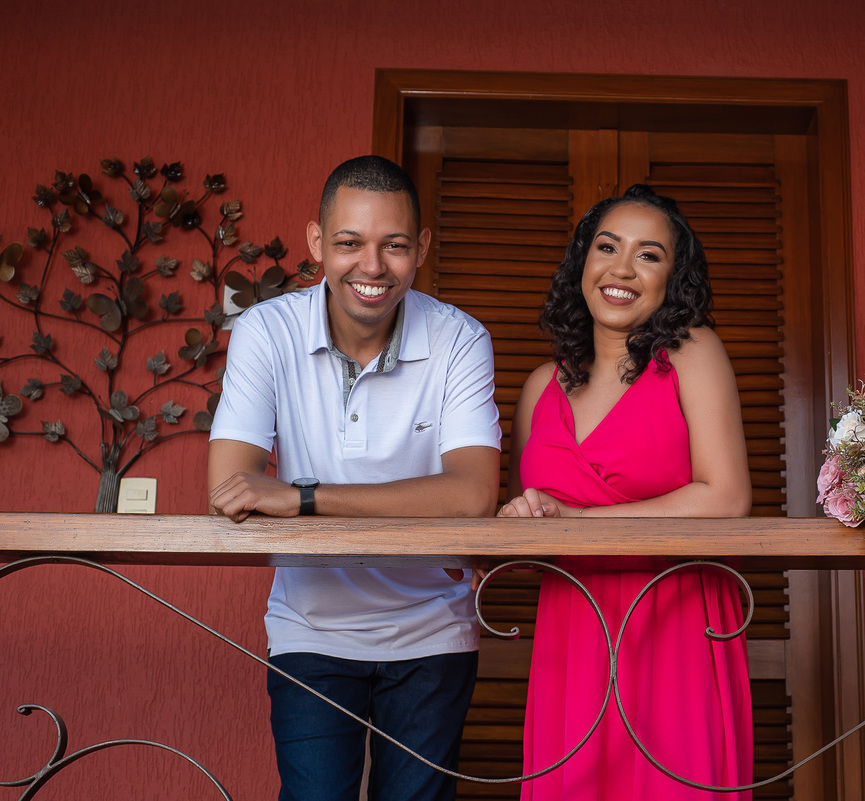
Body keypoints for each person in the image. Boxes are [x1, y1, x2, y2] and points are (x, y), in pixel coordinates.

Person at [208, 155, 501, 801]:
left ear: (421, 247)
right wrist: (412, 504)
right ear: (317, 242)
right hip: (309, 624)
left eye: (394, 245)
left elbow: (473, 494)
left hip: (434, 626)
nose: (372, 266)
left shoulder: (460, 339)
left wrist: (302, 497)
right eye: (349, 243)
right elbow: (230, 487)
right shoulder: (266, 331)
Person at [499, 185, 754, 800]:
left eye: (649, 255)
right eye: (607, 247)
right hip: (572, 627)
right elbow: (525, 529)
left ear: (673, 277)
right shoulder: (539, 388)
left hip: (675, 618)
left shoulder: (692, 353)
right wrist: (518, 520)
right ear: (582, 262)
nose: (622, 269)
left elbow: (726, 498)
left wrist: (575, 521)